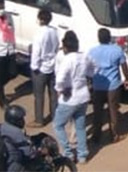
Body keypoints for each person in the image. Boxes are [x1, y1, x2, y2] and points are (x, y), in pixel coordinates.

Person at [87, 26, 128, 144]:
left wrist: (91, 81)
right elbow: (124, 65)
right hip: (113, 85)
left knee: (97, 112)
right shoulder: (117, 50)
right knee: (113, 111)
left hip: (98, 86)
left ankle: (96, 136)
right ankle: (114, 135)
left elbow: (89, 68)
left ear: (99, 38)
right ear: (109, 38)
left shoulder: (92, 51)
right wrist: (126, 78)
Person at [53, 30, 89, 166]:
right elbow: (93, 70)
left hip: (70, 99)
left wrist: (60, 89)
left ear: (65, 48)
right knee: (80, 126)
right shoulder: (84, 57)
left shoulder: (67, 59)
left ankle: (68, 153)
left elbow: (60, 79)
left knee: (58, 125)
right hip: (83, 97)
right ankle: (82, 155)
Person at [29, 8, 59, 126]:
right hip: (52, 66)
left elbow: (36, 52)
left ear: (40, 19)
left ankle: (39, 119)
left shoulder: (39, 34)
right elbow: (57, 46)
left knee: (39, 95)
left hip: (41, 68)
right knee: (53, 94)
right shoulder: (54, 31)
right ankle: (55, 116)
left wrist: (34, 67)